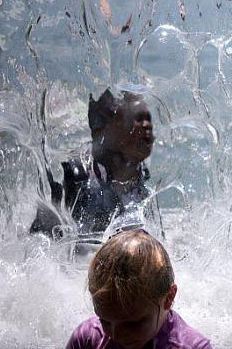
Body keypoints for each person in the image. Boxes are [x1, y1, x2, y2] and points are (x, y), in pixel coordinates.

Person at [50, 229, 221, 349]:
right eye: (105, 321)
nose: (115, 334)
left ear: (169, 298)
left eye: (132, 324)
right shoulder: (87, 338)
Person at [30, 89, 161, 243]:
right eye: (138, 118)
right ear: (105, 129)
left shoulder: (140, 179)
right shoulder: (77, 177)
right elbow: (44, 241)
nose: (147, 126)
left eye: (148, 119)